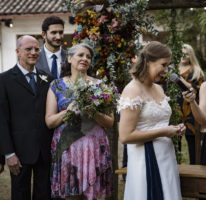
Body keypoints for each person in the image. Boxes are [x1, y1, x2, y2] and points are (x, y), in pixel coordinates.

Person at [118, 41, 185, 200]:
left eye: (168, 66)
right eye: (163, 65)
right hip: (145, 159)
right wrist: (164, 131)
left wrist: (175, 129)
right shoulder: (133, 89)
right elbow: (125, 136)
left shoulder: (159, 88)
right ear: (148, 62)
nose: (166, 70)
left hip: (166, 156)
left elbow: (159, 121)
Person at [45, 43, 113, 200]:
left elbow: (110, 122)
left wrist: (93, 112)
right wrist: (68, 112)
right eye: (80, 55)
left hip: (94, 146)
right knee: (71, 195)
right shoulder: (56, 86)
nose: (85, 59)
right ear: (69, 58)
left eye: (88, 57)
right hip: (68, 147)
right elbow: (49, 121)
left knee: (93, 195)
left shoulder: (100, 85)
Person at [0, 35, 53, 200]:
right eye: (28, 49)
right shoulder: (4, 80)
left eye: (37, 49)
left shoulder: (48, 79)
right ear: (17, 51)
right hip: (19, 152)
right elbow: (1, 120)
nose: (33, 52)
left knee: (44, 194)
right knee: (20, 194)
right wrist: (8, 154)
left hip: (45, 151)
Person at [178, 44, 204, 164]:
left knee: (192, 141)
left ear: (191, 55)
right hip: (175, 109)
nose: (184, 56)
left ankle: (195, 166)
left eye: (186, 53)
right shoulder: (171, 69)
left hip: (190, 110)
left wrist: (184, 82)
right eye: (182, 53)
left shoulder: (196, 71)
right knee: (174, 141)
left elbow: (199, 90)